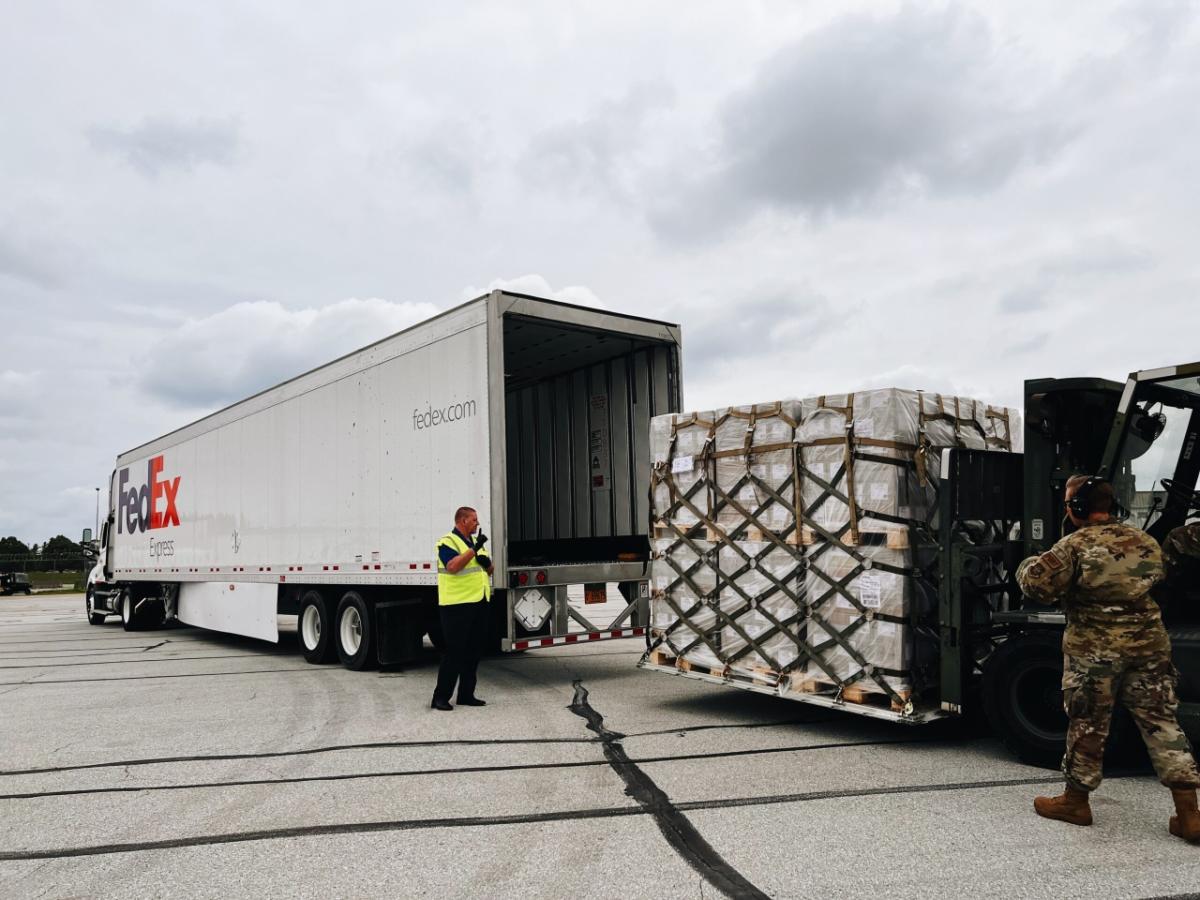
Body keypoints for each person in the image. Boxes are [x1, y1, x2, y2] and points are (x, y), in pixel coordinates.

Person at [1015, 475, 1200, 843]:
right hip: (1149, 645)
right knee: (1162, 723)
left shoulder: (1074, 545)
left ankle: (1075, 802)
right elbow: (1159, 577)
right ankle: (1190, 814)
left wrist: (1028, 564)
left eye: (1069, 503)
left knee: (1088, 721)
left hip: (1095, 651)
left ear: (1078, 509)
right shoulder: (1145, 540)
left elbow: (1037, 586)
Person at [431, 506, 494, 711]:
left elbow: (487, 570)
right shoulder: (447, 542)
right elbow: (453, 566)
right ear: (462, 521)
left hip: (478, 602)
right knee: (454, 652)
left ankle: (466, 695)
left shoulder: (476, 543)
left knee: (474, 651)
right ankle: (440, 697)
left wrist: (487, 564)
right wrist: (474, 550)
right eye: (474, 520)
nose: (477, 523)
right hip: (456, 605)